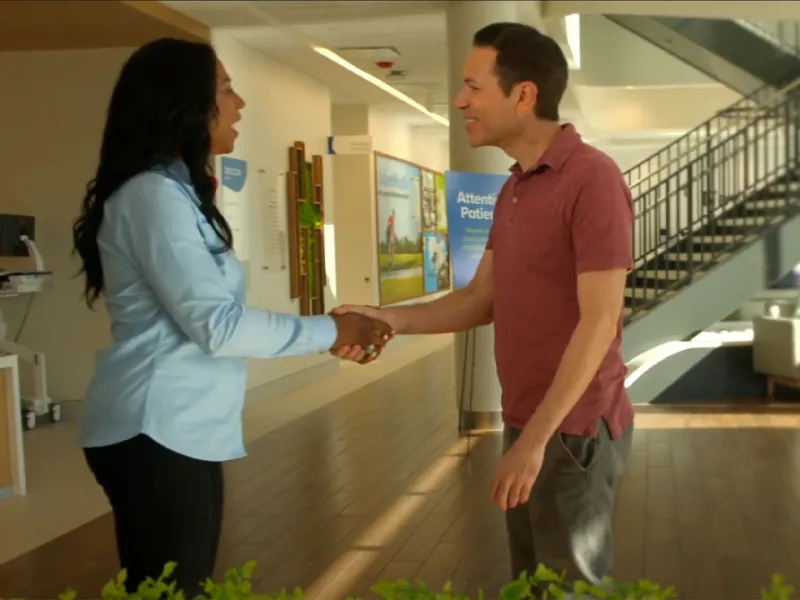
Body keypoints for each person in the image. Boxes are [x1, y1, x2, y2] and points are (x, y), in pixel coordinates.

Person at [71, 37, 391, 596]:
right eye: (225, 88)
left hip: (180, 428)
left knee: (179, 586)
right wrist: (333, 330)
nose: (239, 103)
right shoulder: (152, 196)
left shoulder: (175, 194)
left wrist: (330, 331)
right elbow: (217, 326)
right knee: (173, 589)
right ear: (184, 103)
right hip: (155, 426)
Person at [333, 22, 635, 589]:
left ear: (523, 95)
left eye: (473, 87)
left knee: (568, 588)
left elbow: (600, 322)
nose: (459, 101)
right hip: (528, 421)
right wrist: (391, 319)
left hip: (571, 430)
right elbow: (481, 297)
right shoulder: (514, 187)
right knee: (531, 584)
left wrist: (537, 441)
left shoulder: (592, 179)